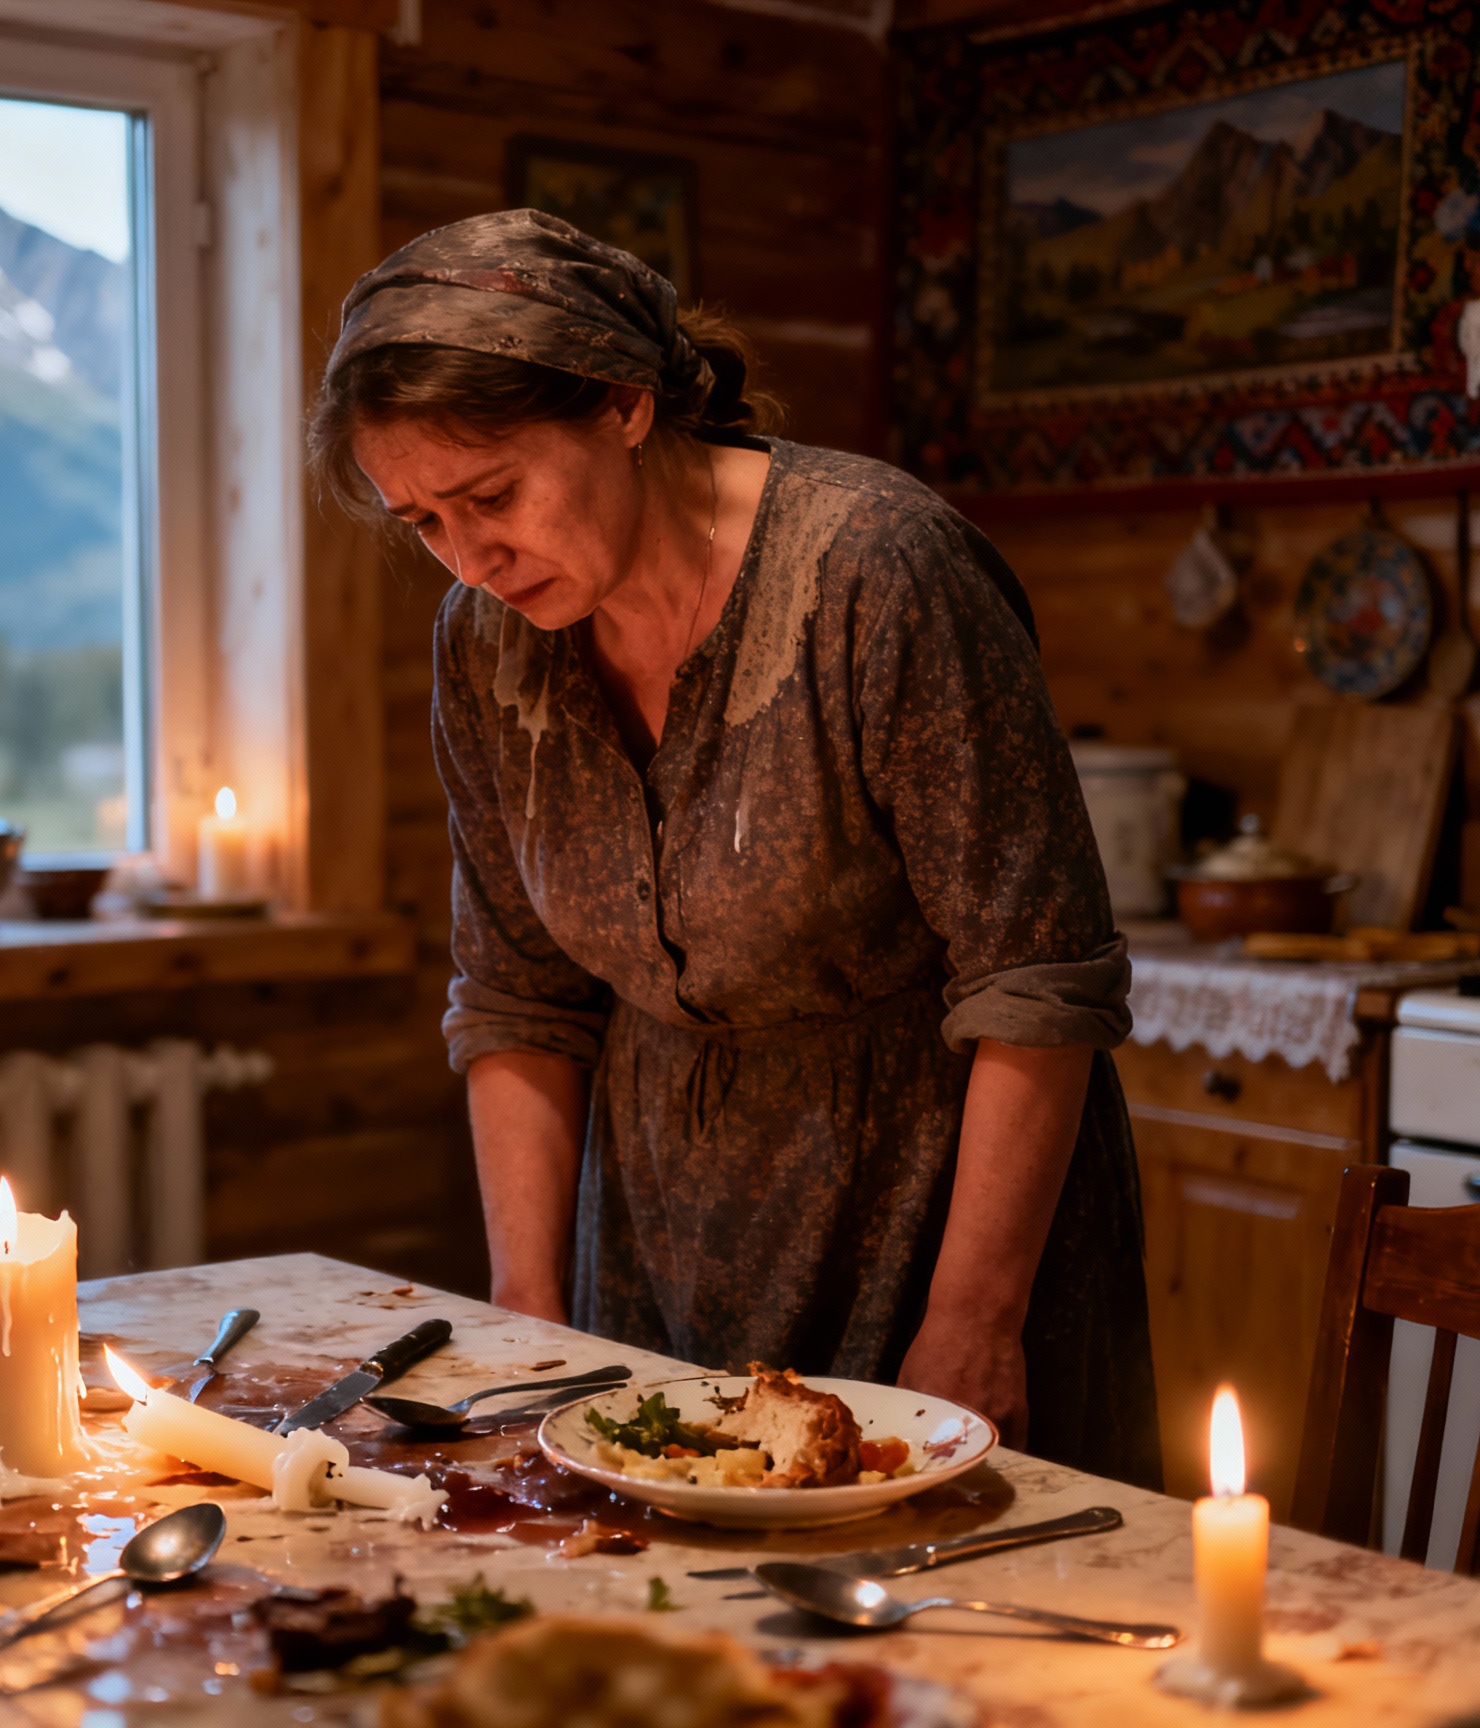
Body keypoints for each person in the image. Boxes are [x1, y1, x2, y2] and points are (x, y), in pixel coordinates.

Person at [308, 209, 1160, 1486]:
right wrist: (525, 1315)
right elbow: (518, 1000)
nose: (472, 560)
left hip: (933, 1217)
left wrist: (973, 1321)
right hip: (659, 1232)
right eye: (424, 522)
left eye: (492, 496)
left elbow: (1038, 982)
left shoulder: (881, 573)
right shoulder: (484, 646)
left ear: (622, 403)